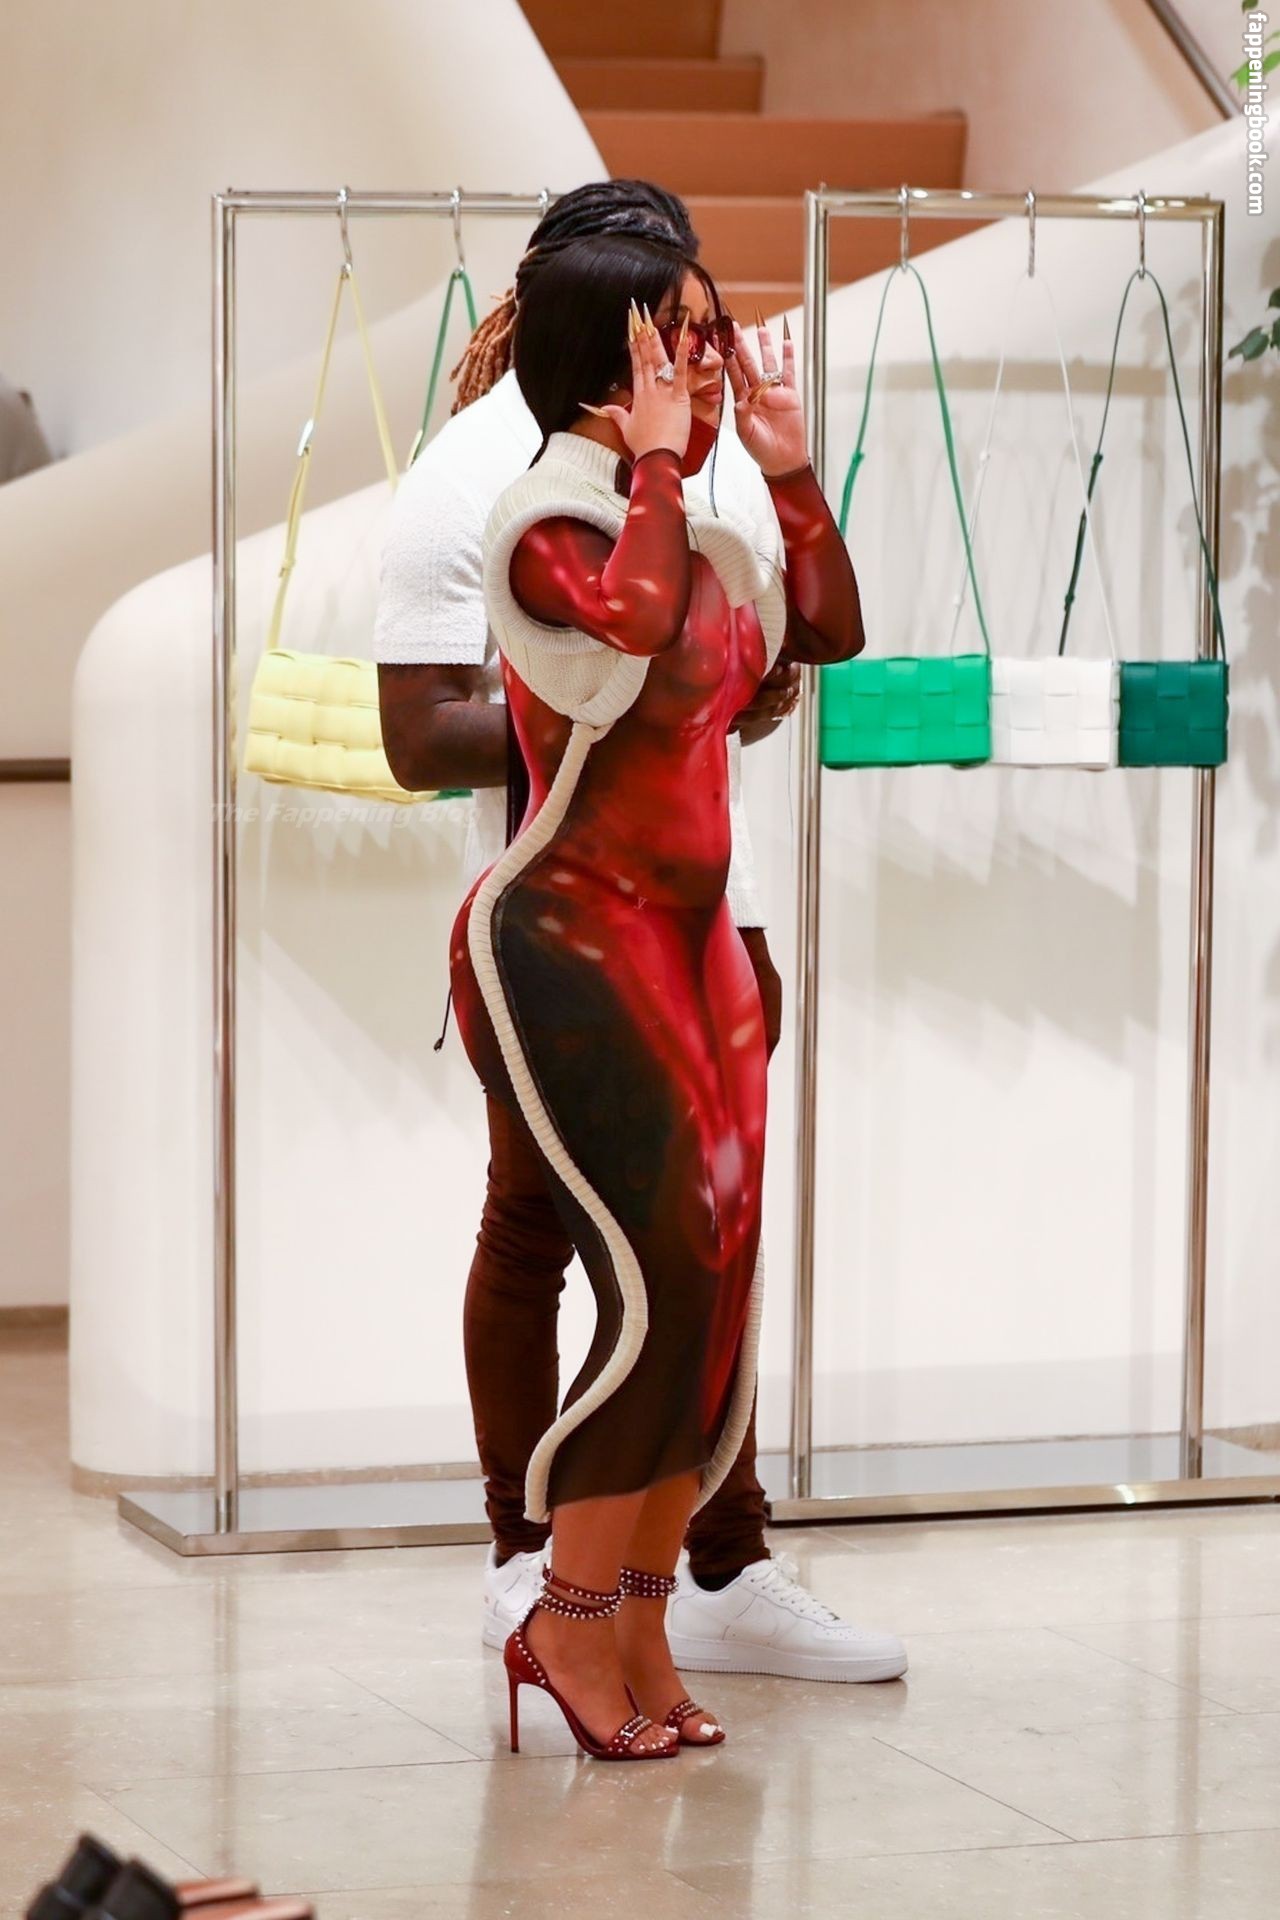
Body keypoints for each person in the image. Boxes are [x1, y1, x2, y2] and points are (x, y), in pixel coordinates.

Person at [375, 181, 907, 1696]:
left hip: (704, 917)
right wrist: (616, 713)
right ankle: (532, 1571)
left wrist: (773, 499)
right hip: (566, 924)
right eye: (676, 322)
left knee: (708, 1254)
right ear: (598, 325)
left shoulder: (703, 453)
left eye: (709, 319)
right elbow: (424, 733)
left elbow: (798, 641)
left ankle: (696, 1578)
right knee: (550, 1231)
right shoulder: (496, 483)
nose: (706, 349)